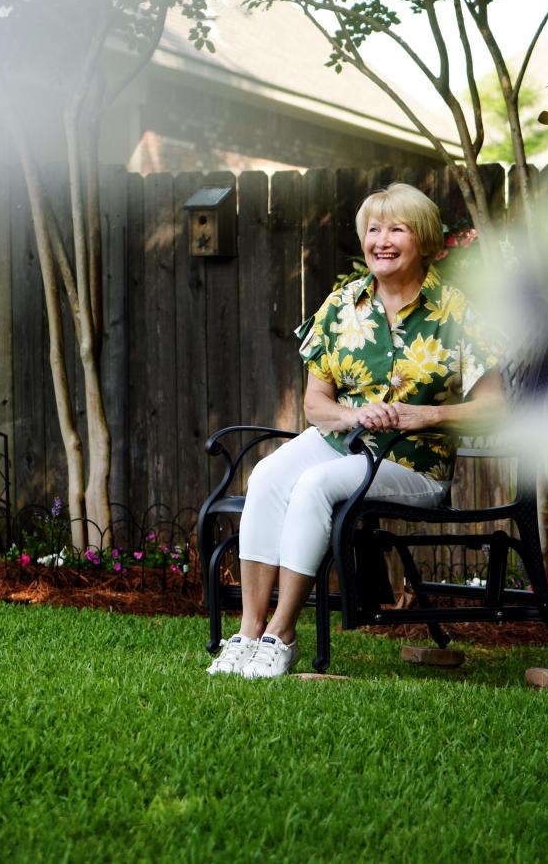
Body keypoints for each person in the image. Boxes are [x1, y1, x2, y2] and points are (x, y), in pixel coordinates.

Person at [207, 182, 505, 678]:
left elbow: (495, 408)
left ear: (425, 240)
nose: (381, 240)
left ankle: (282, 635)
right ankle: (248, 633)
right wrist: (354, 416)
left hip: (413, 464)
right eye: (373, 229)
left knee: (315, 485)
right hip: (340, 442)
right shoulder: (342, 305)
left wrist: (422, 415)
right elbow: (315, 403)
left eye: (396, 229)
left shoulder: (457, 312)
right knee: (266, 476)